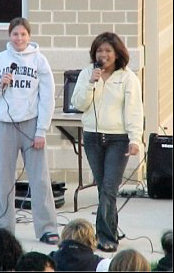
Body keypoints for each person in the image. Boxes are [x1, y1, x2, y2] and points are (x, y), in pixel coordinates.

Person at [0, 17, 59, 245]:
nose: (19, 38)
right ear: (9, 36)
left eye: (23, 34)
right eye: (15, 34)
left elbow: (47, 97)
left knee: (40, 179)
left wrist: (41, 131)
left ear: (30, 36)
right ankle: (3, 228)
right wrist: (0, 85)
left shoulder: (39, 61)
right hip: (5, 124)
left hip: (31, 125)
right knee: (5, 179)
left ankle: (47, 228)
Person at [71, 32, 143, 252]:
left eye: (108, 51)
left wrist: (135, 139)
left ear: (117, 53)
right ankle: (110, 227)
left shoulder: (127, 77)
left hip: (118, 139)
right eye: (99, 50)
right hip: (92, 137)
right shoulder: (87, 74)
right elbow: (78, 104)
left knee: (110, 188)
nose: (103, 54)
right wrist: (91, 83)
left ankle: (105, 236)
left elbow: (134, 111)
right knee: (103, 187)